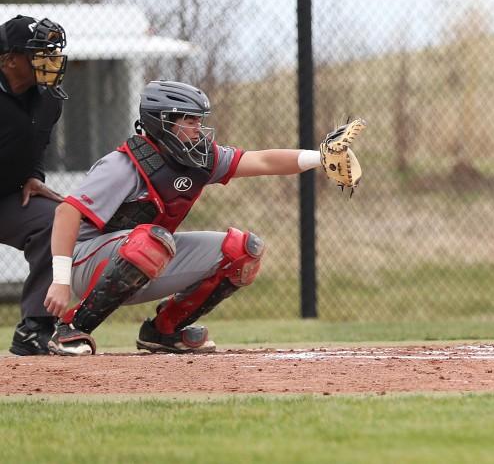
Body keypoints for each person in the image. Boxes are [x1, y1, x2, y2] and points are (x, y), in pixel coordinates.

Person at [43, 80, 361, 355]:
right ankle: (71, 328)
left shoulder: (200, 159)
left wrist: (320, 158)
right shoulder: (122, 165)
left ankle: (164, 331)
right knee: (151, 241)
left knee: (242, 250)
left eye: (199, 120)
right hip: (85, 263)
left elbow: (261, 161)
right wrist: (60, 281)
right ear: (162, 122)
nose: (198, 128)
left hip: (146, 252)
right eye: (189, 121)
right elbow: (67, 212)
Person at [1, 15, 69, 355]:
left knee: (56, 219)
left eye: (50, 51)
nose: (48, 60)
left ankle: (35, 328)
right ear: (9, 59)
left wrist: (34, 176)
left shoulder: (49, 99)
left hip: (7, 199)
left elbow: (36, 147)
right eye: (37, 52)